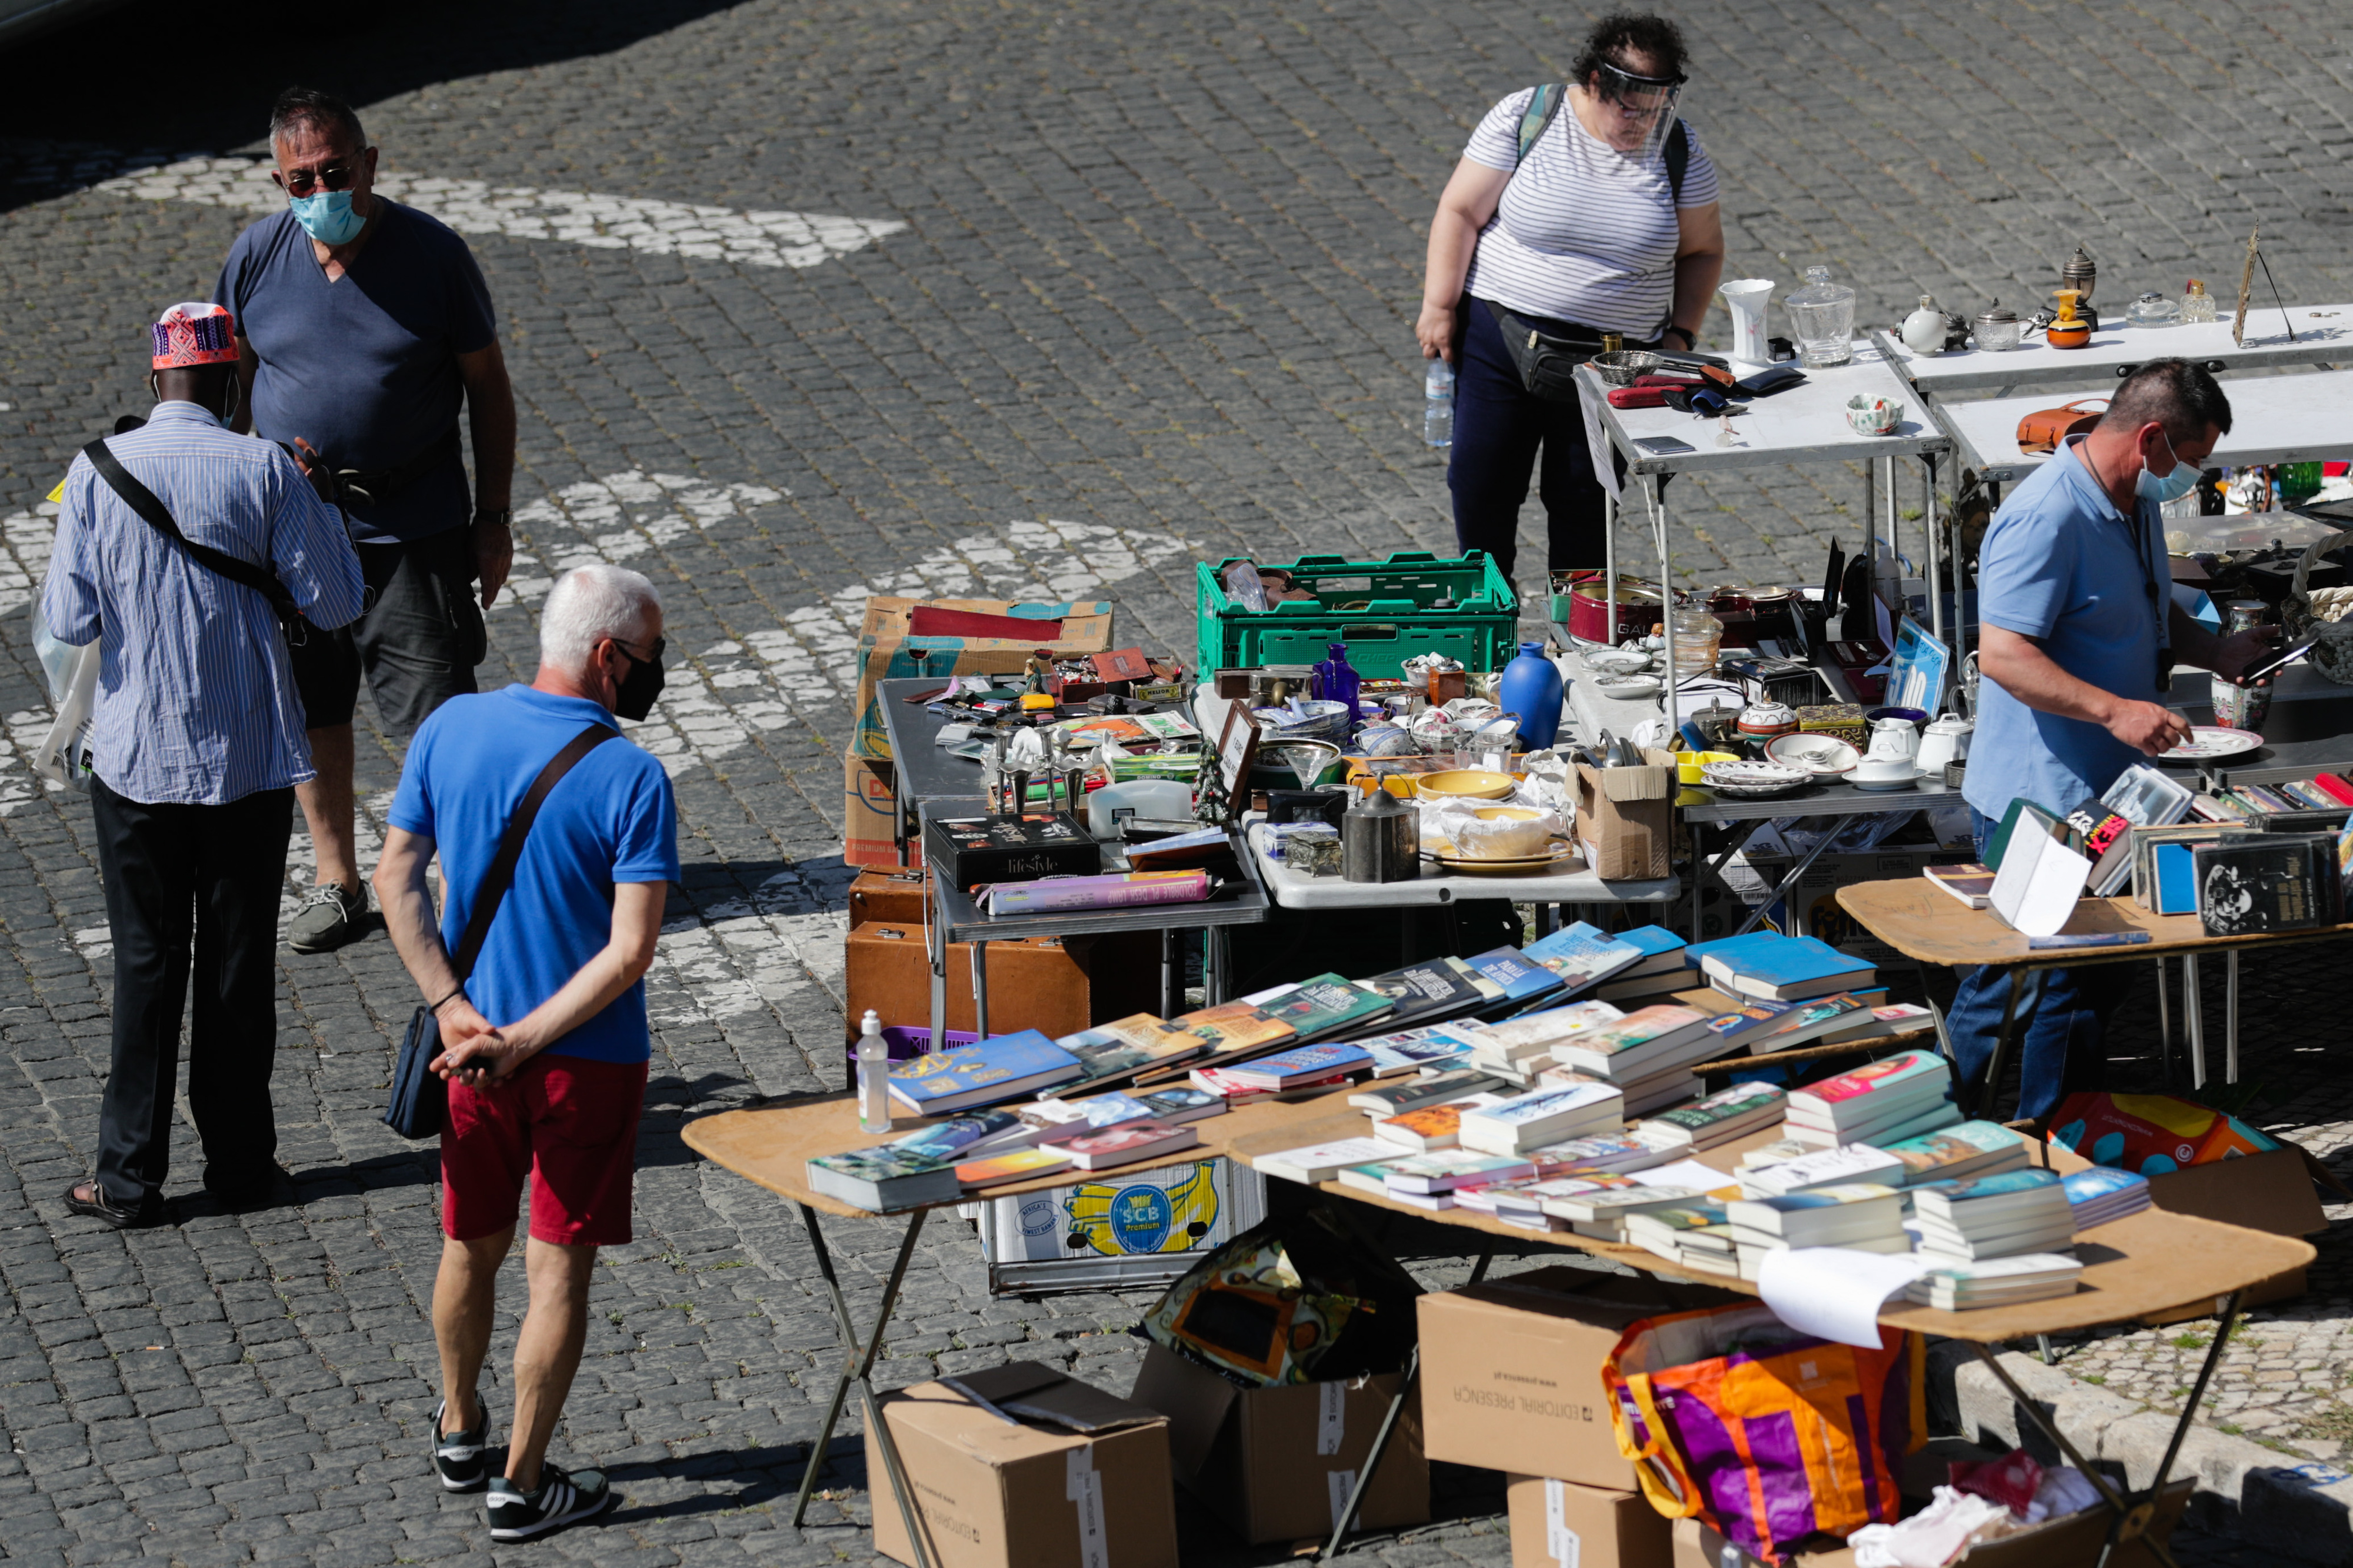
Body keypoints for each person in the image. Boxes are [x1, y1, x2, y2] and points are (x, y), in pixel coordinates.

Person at [44, 303, 365, 1227]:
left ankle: (128, 1177)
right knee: (234, 964)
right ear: (234, 385)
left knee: (147, 963)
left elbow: (69, 622)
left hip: (135, 759)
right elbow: (336, 600)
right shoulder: (263, 466)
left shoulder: (99, 471)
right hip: (251, 760)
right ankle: (240, 1165)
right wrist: (318, 501)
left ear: (155, 383)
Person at [375, 563, 676, 1542]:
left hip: (468, 1057)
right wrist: (529, 1041)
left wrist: (457, 1012)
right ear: (608, 657)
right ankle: (522, 1484)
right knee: (558, 1271)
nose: (655, 672)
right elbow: (628, 953)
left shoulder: (450, 727)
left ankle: (461, 1427)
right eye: (651, 656)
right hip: (583, 1065)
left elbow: (395, 877)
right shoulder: (632, 777)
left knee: (470, 1242)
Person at [215, 84, 518, 955]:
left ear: (370, 164)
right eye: (298, 181)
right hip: (295, 531)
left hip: (413, 528)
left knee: (437, 716)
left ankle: (466, 891)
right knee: (313, 708)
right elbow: (231, 392)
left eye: (334, 173)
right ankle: (338, 880)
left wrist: (491, 517)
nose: (319, 194)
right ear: (277, 180)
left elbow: (488, 388)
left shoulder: (433, 256)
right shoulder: (257, 257)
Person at [1952, 358, 2274, 1118]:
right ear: (2152, 439)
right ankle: (1947, 1123)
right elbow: (2002, 655)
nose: (2193, 477)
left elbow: (2145, 612)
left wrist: (2217, 651)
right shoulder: (2046, 516)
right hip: (2038, 799)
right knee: (2016, 981)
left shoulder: (2131, 501)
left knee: (2091, 981)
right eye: (2193, 461)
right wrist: (2114, 710)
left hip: (2109, 797)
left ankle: (2064, 1135)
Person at [1417, 12, 1726, 590]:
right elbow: (1459, 211)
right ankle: (1490, 645)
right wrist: (1438, 305)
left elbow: (1704, 251)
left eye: (1657, 109)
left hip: (1611, 363)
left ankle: (1583, 653)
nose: (1642, 123)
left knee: (1586, 512)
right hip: (1498, 341)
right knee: (1482, 491)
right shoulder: (1527, 117)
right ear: (1592, 82)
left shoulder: (1679, 149)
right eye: (1629, 108)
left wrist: (1680, 336)